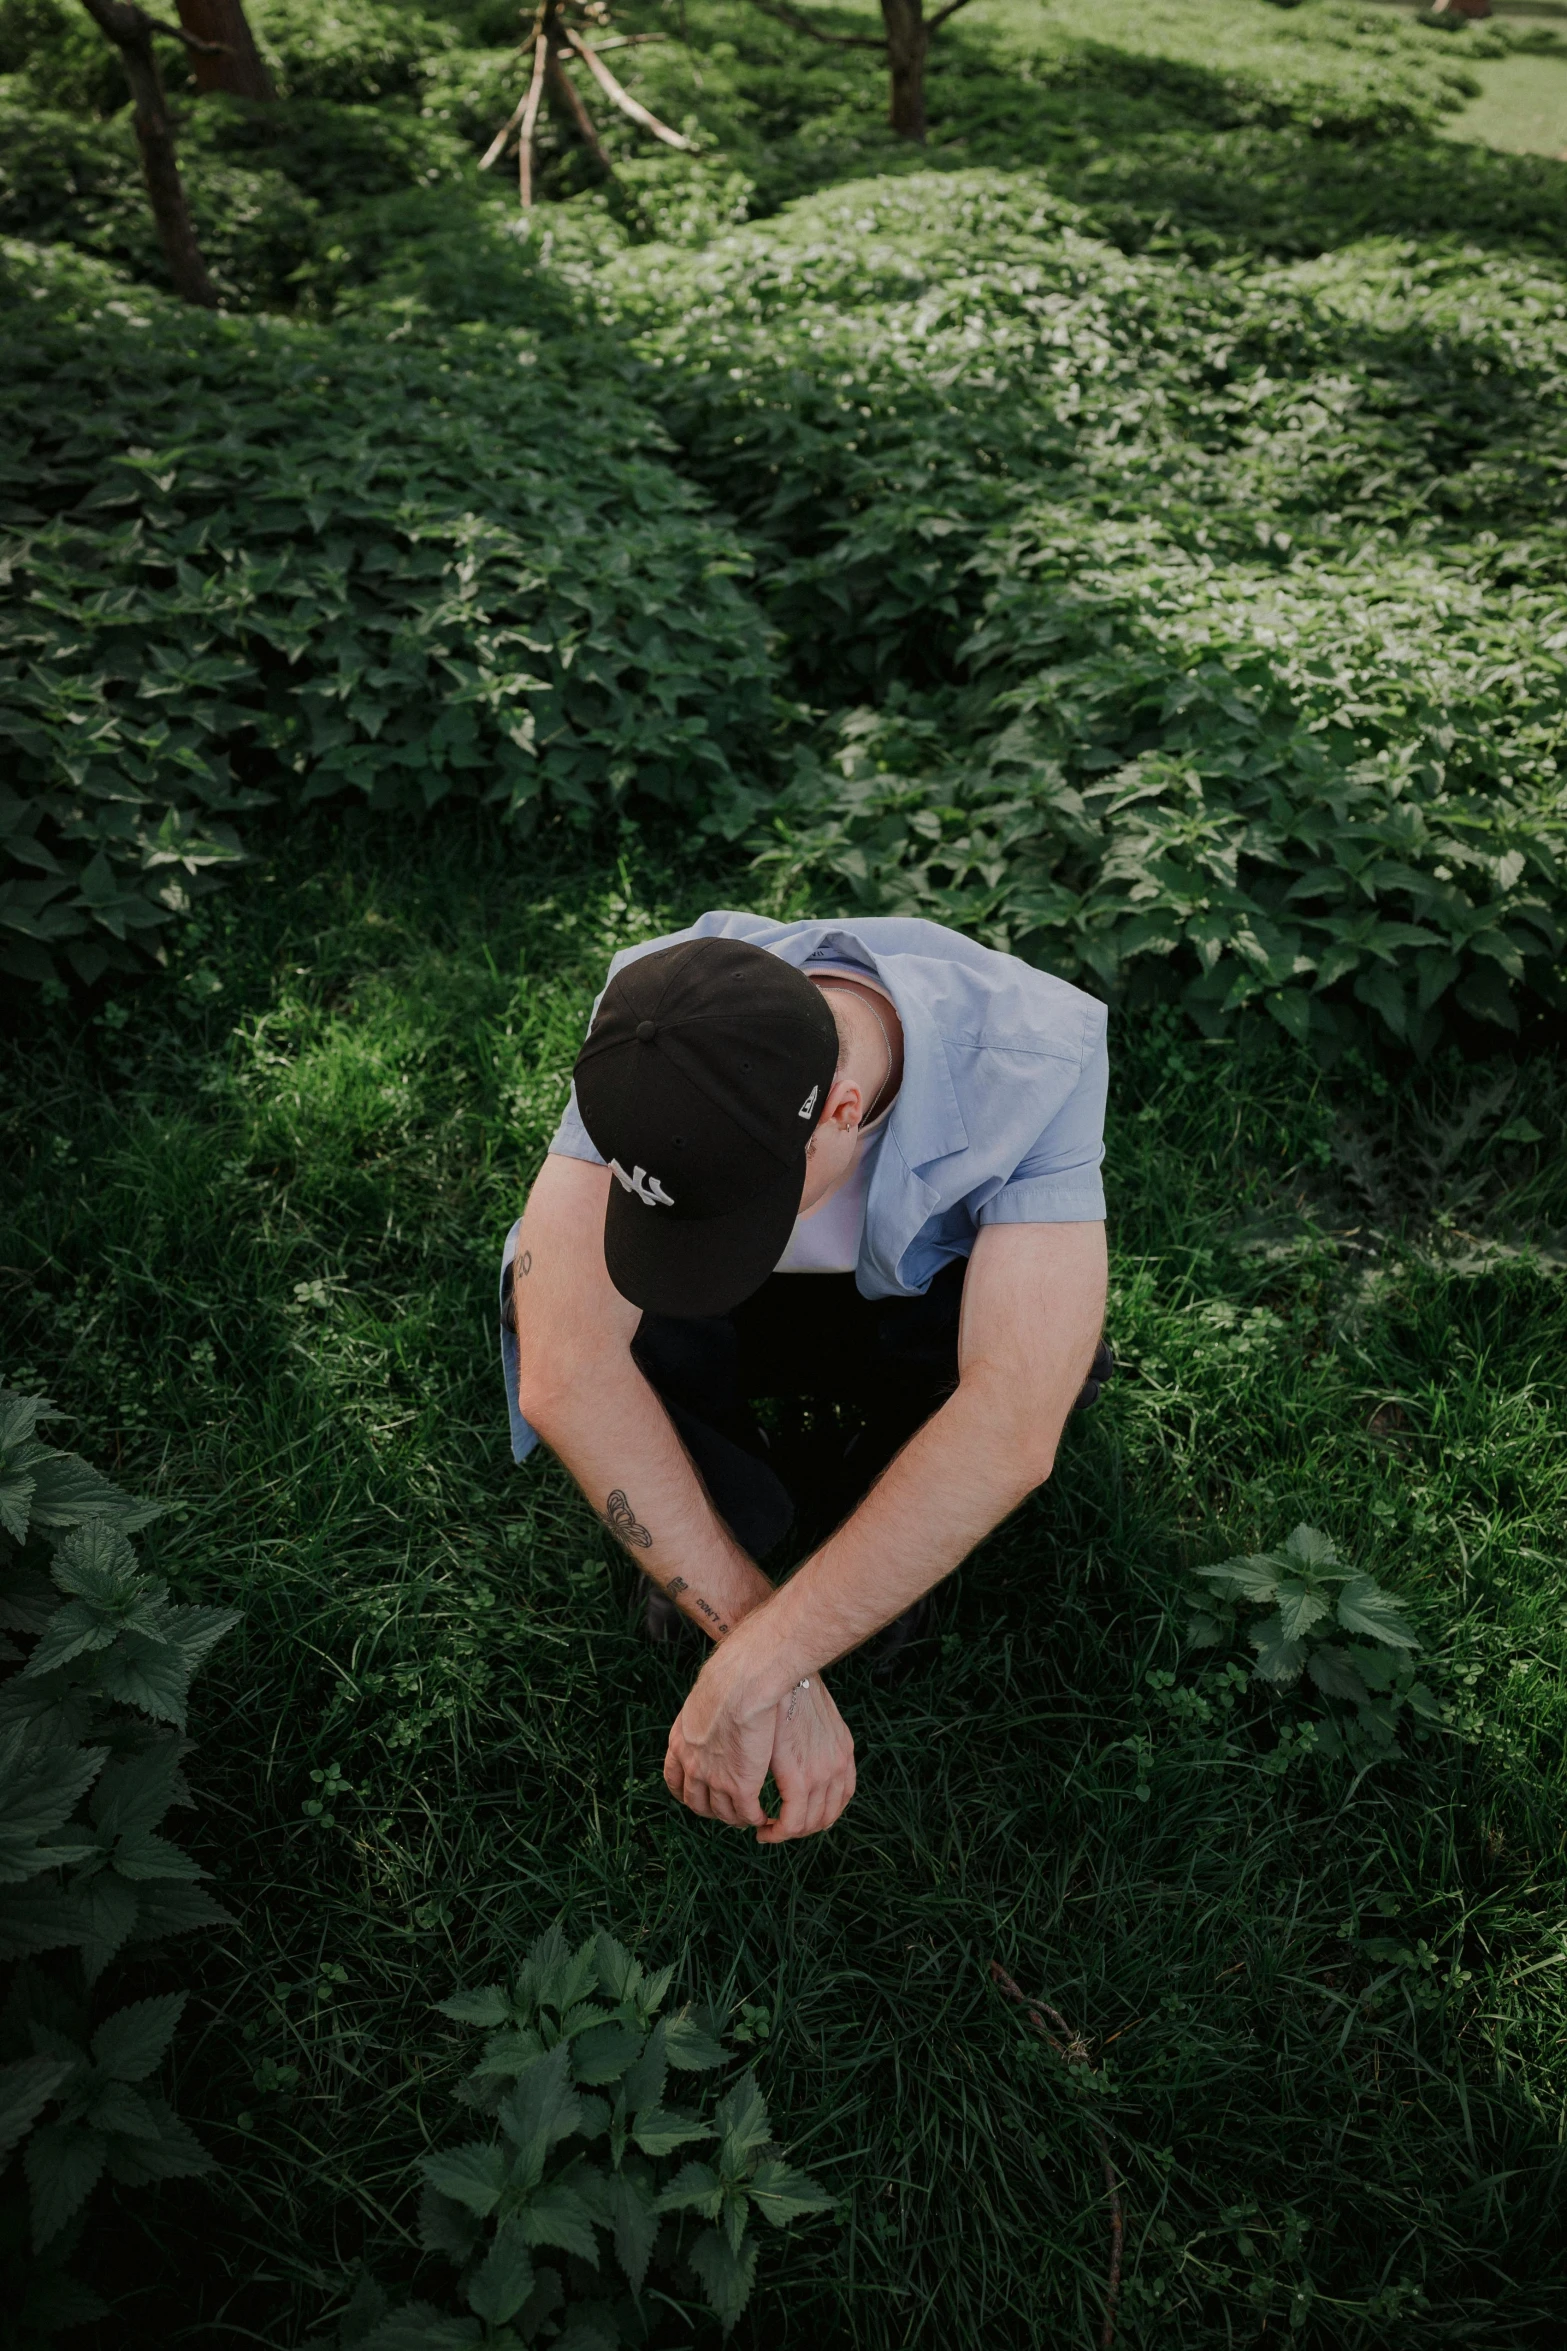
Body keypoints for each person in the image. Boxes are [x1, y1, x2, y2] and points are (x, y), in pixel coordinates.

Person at [500, 912, 1110, 1844]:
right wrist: (768, 1644)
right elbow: (564, 1365)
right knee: (557, 1297)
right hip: (723, 1316)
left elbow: (1011, 1419)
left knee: (1054, 1356)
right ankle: (722, 1519)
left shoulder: (1036, 1055)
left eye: (736, 1207)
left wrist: (750, 1674)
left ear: (842, 1111)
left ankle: (890, 1514)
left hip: (902, 1302)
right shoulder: (653, 1027)